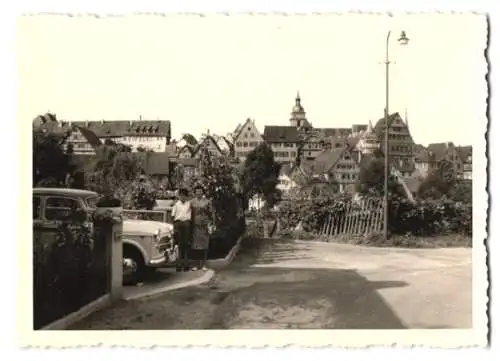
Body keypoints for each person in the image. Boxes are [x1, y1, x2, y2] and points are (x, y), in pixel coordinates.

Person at [190, 184, 215, 271]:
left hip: (204, 226)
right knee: (195, 247)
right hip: (195, 226)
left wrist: (211, 224)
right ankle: (196, 264)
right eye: (197, 191)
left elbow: (211, 213)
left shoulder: (207, 202)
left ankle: (204, 264)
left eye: (200, 191)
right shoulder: (192, 202)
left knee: (204, 246)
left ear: (202, 192)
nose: (199, 193)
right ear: (195, 192)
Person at [171, 187, 192, 272]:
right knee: (179, 245)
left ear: (186, 196)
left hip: (186, 224)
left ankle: (186, 264)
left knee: (186, 244)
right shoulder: (176, 205)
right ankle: (178, 264)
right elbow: (172, 216)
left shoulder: (189, 204)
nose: (182, 197)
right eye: (181, 195)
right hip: (178, 224)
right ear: (179, 196)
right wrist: (174, 227)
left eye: (184, 195)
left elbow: (190, 215)